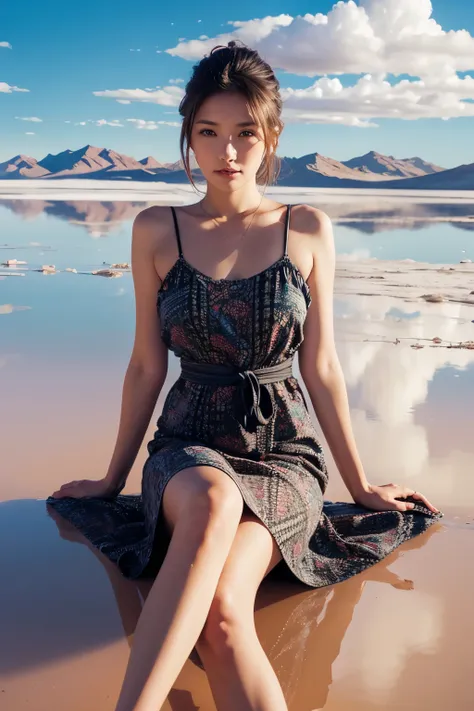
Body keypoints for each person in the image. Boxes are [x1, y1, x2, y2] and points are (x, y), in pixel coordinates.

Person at [47, 41, 442, 711]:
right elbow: (146, 364)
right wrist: (113, 477)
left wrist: (360, 483)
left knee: (226, 618)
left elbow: (321, 366)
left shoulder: (307, 230)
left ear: (271, 137)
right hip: (188, 446)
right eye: (209, 133)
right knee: (212, 500)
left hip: (284, 453)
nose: (226, 152)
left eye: (243, 134)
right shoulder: (155, 230)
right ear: (189, 139)